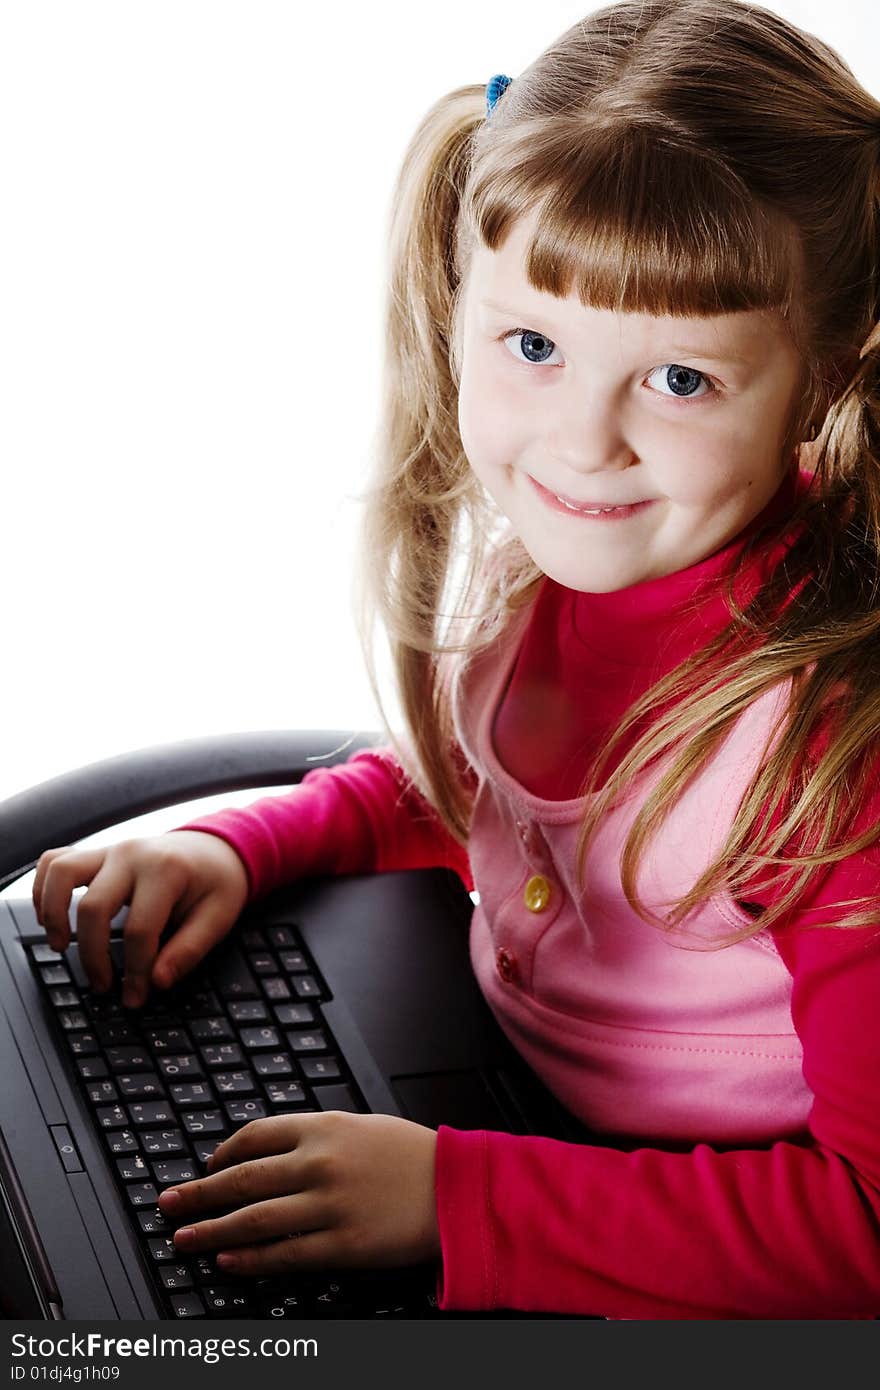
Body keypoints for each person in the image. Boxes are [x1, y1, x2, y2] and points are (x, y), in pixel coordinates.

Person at [30, 0, 880, 1319]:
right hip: (502, 1086)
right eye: (532, 345)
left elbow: (862, 1225)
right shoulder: (578, 565)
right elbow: (486, 796)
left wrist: (461, 1200)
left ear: (823, 382)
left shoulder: (829, 746)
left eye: (680, 380)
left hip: (686, 1219)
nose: (582, 444)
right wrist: (258, 843)